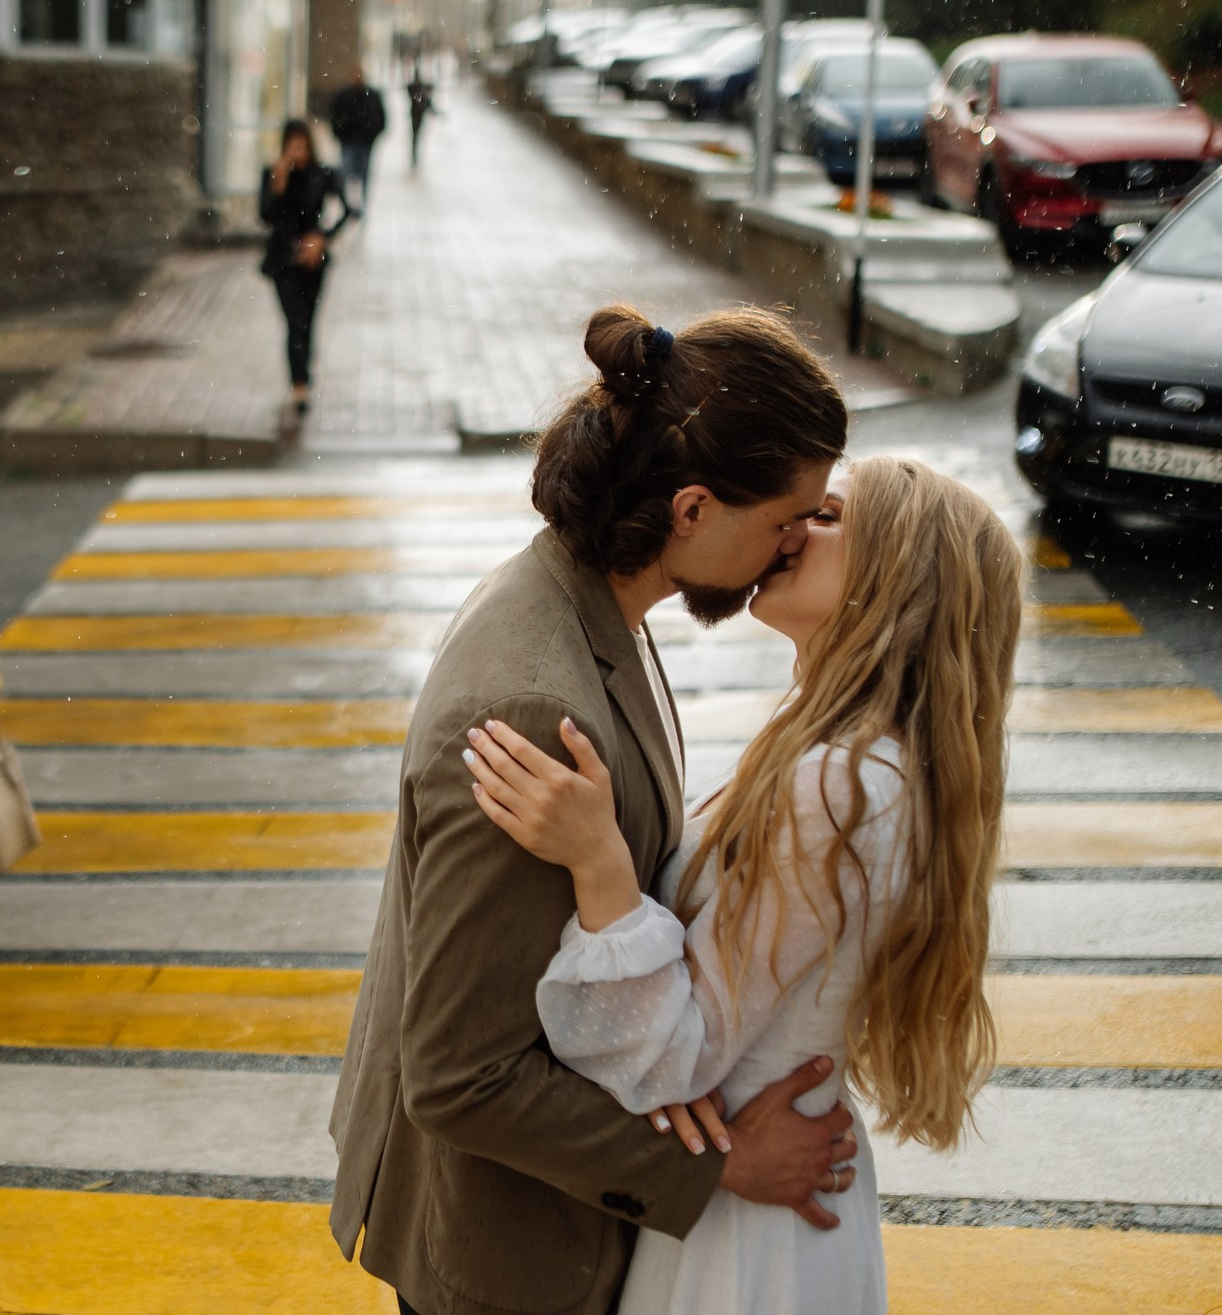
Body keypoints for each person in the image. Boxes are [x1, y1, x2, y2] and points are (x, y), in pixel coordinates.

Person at [332, 303, 857, 1315]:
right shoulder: (537, 707)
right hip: (516, 1260)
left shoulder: (586, 600)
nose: (792, 542)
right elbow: (457, 1073)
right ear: (692, 510)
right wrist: (715, 1167)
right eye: (786, 516)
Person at [463, 455, 1021, 1314]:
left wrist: (600, 863)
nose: (790, 528)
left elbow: (674, 1054)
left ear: (895, 578)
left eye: (827, 516)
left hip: (746, 1236)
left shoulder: (843, 784)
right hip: (763, 1200)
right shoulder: (849, 756)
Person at [259, 119, 355, 422]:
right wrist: (278, 183)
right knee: (295, 321)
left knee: (308, 320)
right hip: (283, 260)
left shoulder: (323, 174)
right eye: (292, 145)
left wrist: (323, 238)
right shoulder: (274, 173)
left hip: (313, 262)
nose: (297, 151)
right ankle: (299, 384)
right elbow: (266, 216)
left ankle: (303, 371)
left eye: (302, 145)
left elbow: (350, 210)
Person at [329, 66, 388, 208]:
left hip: (365, 142)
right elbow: (335, 115)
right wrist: (340, 133)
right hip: (349, 141)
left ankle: (361, 203)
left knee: (363, 174)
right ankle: (347, 204)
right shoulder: (344, 95)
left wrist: (372, 134)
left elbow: (380, 117)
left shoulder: (371, 95)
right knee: (346, 173)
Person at [406, 64, 436, 169]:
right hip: (416, 114)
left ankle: (415, 155)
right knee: (416, 135)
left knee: (416, 136)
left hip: (416, 114)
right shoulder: (416, 88)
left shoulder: (416, 88)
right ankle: (415, 155)